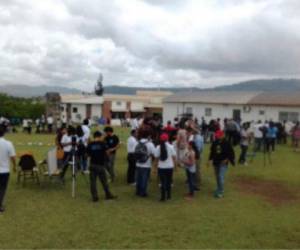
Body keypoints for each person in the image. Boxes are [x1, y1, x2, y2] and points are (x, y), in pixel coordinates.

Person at [87, 131, 116, 202]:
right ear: (100, 136)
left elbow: (87, 155)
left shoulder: (90, 144)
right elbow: (107, 152)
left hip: (92, 164)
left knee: (93, 182)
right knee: (104, 181)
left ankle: (95, 196)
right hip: (100, 165)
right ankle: (108, 194)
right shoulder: (103, 143)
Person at [208, 130, 235, 198]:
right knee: (217, 176)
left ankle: (221, 191)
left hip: (223, 163)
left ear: (223, 135)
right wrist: (209, 160)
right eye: (217, 136)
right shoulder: (215, 142)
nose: (218, 137)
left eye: (219, 135)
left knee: (220, 176)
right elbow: (212, 152)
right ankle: (218, 188)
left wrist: (227, 159)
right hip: (216, 162)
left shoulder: (227, 143)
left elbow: (231, 153)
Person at [155, 133, 176, 202]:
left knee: (163, 182)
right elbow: (174, 157)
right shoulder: (171, 146)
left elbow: (156, 158)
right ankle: (169, 196)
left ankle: (163, 197)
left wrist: (155, 167)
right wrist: (175, 166)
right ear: (167, 139)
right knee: (169, 182)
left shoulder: (158, 147)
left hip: (161, 167)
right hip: (170, 167)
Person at [0, 125, 16, 213]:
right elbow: (13, 157)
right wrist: (14, 166)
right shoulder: (8, 143)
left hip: (4, 170)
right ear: (4, 133)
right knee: (2, 188)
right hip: (4, 171)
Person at [135, 129, 156, 197]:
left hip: (138, 163)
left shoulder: (138, 142)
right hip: (146, 164)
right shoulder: (150, 144)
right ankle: (143, 192)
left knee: (138, 178)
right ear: (149, 136)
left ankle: (137, 191)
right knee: (144, 179)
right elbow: (154, 154)